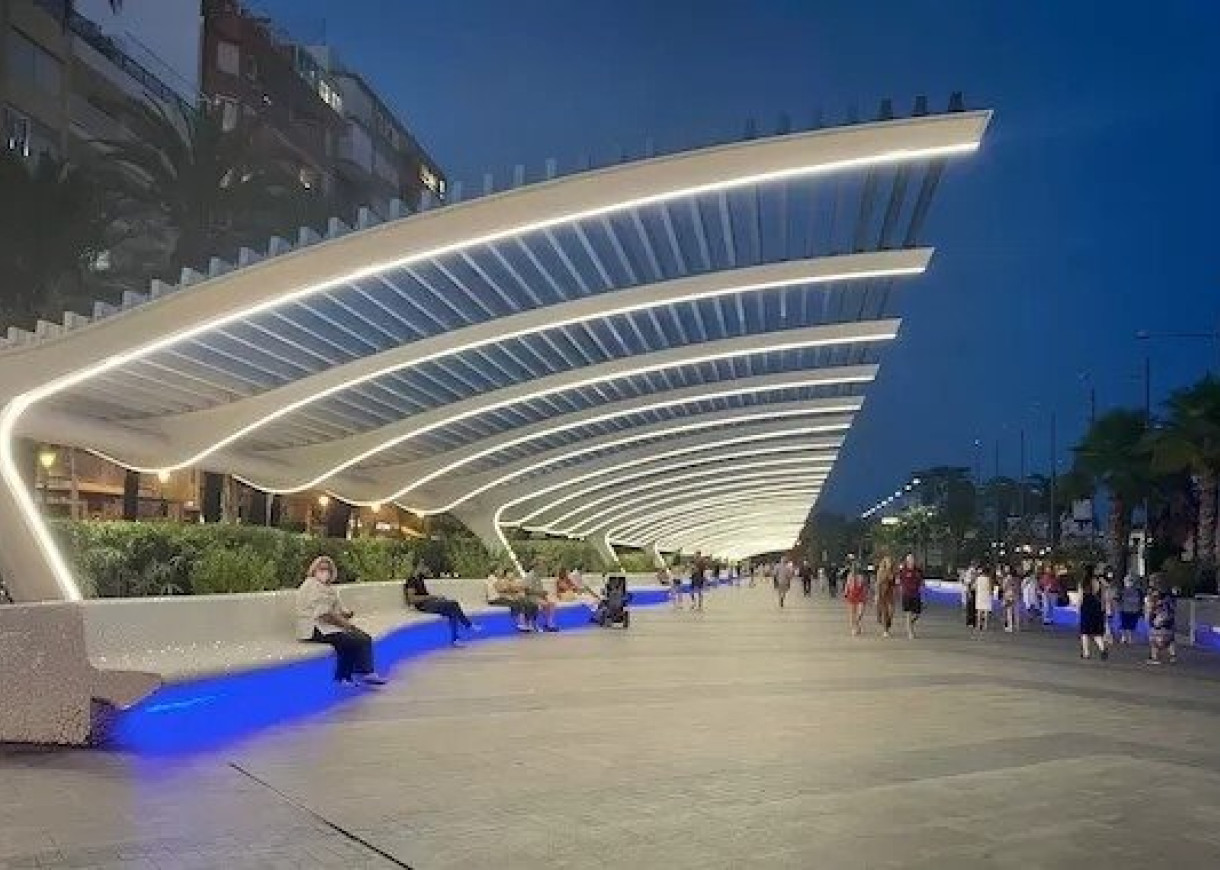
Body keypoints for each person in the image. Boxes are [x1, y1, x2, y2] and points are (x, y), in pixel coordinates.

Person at [296, 555, 385, 686]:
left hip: (326, 626)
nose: (325, 572)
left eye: (328, 569)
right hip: (313, 629)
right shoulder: (312, 585)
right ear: (314, 570)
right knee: (354, 640)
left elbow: (336, 609)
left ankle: (350, 676)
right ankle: (361, 673)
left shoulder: (327, 588)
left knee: (360, 638)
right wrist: (345, 625)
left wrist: (346, 615)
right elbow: (323, 614)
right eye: (321, 569)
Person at [404, 566, 480, 647]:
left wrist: (437, 598)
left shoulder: (420, 579)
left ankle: (455, 639)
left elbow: (425, 594)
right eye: (425, 567)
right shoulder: (411, 580)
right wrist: (432, 597)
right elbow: (412, 599)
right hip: (423, 606)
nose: (427, 569)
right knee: (454, 604)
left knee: (452, 612)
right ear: (419, 567)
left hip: (429, 602)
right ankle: (468, 625)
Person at [1146, 577, 1177, 665]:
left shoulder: (1154, 595)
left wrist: (1150, 616)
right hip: (1169, 621)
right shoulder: (1170, 596)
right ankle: (1173, 656)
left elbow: (1151, 607)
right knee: (1170, 640)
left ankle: (1155, 657)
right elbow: (1173, 608)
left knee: (1154, 640)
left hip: (1158, 620)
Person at [1078, 576, 1109, 660]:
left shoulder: (1083, 583)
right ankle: (1102, 648)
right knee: (1097, 633)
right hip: (1098, 611)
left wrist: (1078, 608)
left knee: (1084, 633)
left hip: (1086, 611)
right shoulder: (1101, 584)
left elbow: (1080, 599)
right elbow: (1105, 598)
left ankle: (1086, 653)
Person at [521, 564, 559, 631]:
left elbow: (539, 590)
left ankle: (549, 623)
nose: (542, 569)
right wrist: (540, 593)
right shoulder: (530, 576)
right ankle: (547, 624)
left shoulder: (537, 576)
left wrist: (543, 595)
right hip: (531, 598)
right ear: (536, 567)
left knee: (552, 604)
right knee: (546, 605)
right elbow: (527, 591)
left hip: (538, 597)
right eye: (541, 568)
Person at [898, 553, 924, 639]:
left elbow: (922, 580)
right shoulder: (903, 570)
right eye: (909, 559)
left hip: (916, 594)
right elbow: (898, 580)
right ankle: (910, 631)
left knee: (917, 614)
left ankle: (909, 624)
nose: (911, 560)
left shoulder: (918, 570)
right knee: (908, 613)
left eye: (912, 559)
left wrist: (922, 586)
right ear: (906, 560)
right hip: (906, 594)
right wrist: (900, 587)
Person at [1118, 575, 1144, 645]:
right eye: (1126, 581)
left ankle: (1128, 638)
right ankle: (1125, 637)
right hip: (1125, 610)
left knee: (1131, 626)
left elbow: (1140, 601)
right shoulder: (1122, 591)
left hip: (1133, 611)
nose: (1128, 583)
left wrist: (1140, 608)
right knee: (1125, 625)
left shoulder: (1138, 591)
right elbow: (1119, 599)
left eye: (1130, 581)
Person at [875, 555, 897, 637]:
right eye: (887, 562)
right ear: (884, 563)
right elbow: (878, 583)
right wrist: (877, 595)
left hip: (890, 593)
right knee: (885, 611)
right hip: (882, 592)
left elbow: (895, 582)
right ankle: (885, 630)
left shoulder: (893, 571)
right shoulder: (881, 571)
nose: (889, 563)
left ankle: (888, 622)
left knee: (892, 610)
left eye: (890, 562)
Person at [843, 564, 868, 636]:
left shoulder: (861, 577)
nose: (854, 570)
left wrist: (866, 594)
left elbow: (864, 586)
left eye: (856, 568)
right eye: (853, 569)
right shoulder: (849, 576)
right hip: (852, 596)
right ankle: (853, 628)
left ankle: (857, 623)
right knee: (852, 613)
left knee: (860, 612)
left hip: (860, 596)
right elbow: (847, 585)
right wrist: (845, 593)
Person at [974, 564, 995, 633]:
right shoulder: (989, 579)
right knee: (986, 611)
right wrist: (991, 593)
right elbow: (990, 588)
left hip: (979, 595)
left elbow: (975, 587)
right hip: (986, 595)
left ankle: (978, 625)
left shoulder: (978, 578)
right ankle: (985, 626)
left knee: (979, 611)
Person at [1001, 565, 1020, 633]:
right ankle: (1017, 626)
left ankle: (1010, 627)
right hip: (1016, 596)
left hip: (1008, 596)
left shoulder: (1006, 579)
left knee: (1009, 612)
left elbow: (1004, 588)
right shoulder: (1017, 579)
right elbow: (1018, 587)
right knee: (1016, 611)